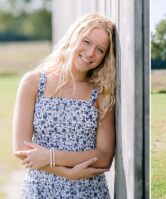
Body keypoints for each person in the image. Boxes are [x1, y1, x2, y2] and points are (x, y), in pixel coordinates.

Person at [13, 13, 116, 198]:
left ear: (105, 57)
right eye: (86, 42)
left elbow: (104, 157)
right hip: (40, 190)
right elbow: (21, 149)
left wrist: (51, 156)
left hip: (88, 191)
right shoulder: (34, 82)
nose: (91, 53)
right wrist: (67, 173)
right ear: (73, 38)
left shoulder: (101, 93)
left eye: (100, 49)